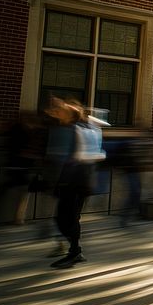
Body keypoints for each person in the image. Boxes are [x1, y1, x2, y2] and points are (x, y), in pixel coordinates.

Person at [44, 99, 105, 268]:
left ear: (69, 115)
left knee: (66, 219)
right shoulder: (85, 128)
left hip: (76, 181)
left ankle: (75, 251)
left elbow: (71, 158)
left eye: (61, 112)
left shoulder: (74, 130)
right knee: (69, 218)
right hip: (81, 181)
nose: (57, 114)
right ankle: (74, 250)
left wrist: (60, 182)